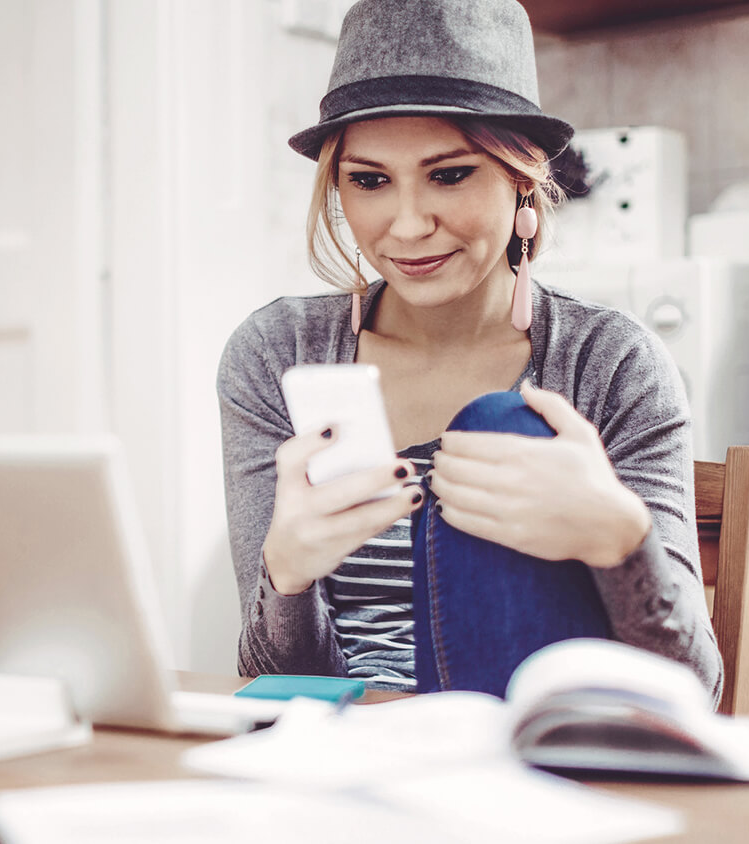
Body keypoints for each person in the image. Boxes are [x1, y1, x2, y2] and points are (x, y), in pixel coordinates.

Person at [217, 0, 721, 701]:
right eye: (369, 181)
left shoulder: (612, 364)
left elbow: (695, 692)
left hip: (533, 762)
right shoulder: (277, 356)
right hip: (350, 762)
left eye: (449, 174)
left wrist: (619, 540)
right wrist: (289, 577)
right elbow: (278, 685)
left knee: (503, 425)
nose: (409, 224)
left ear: (523, 173)